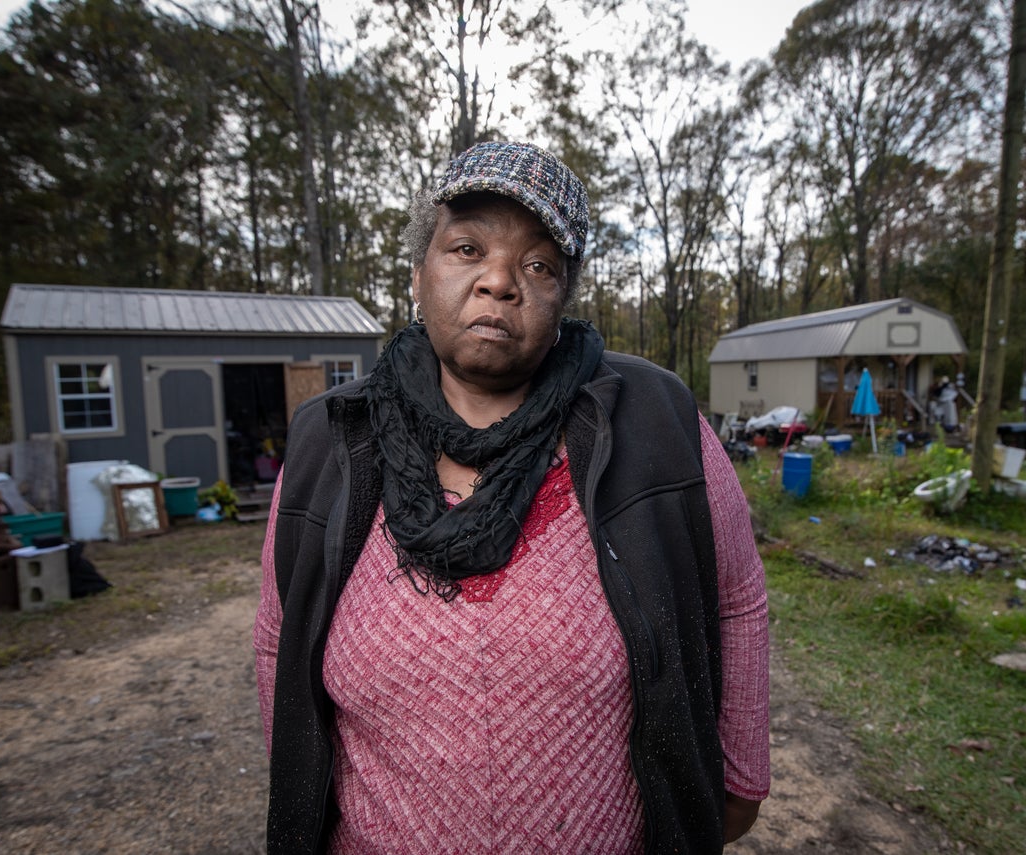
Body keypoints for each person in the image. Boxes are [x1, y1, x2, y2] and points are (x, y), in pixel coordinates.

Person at [253, 140, 770, 854]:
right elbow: (281, 634)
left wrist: (739, 777)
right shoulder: (331, 439)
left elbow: (738, 596)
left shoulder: (656, 421)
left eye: (537, 264)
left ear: (562, 296)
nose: (500, 281)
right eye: (467, 248)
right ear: (418, 272)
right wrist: (298, 779)